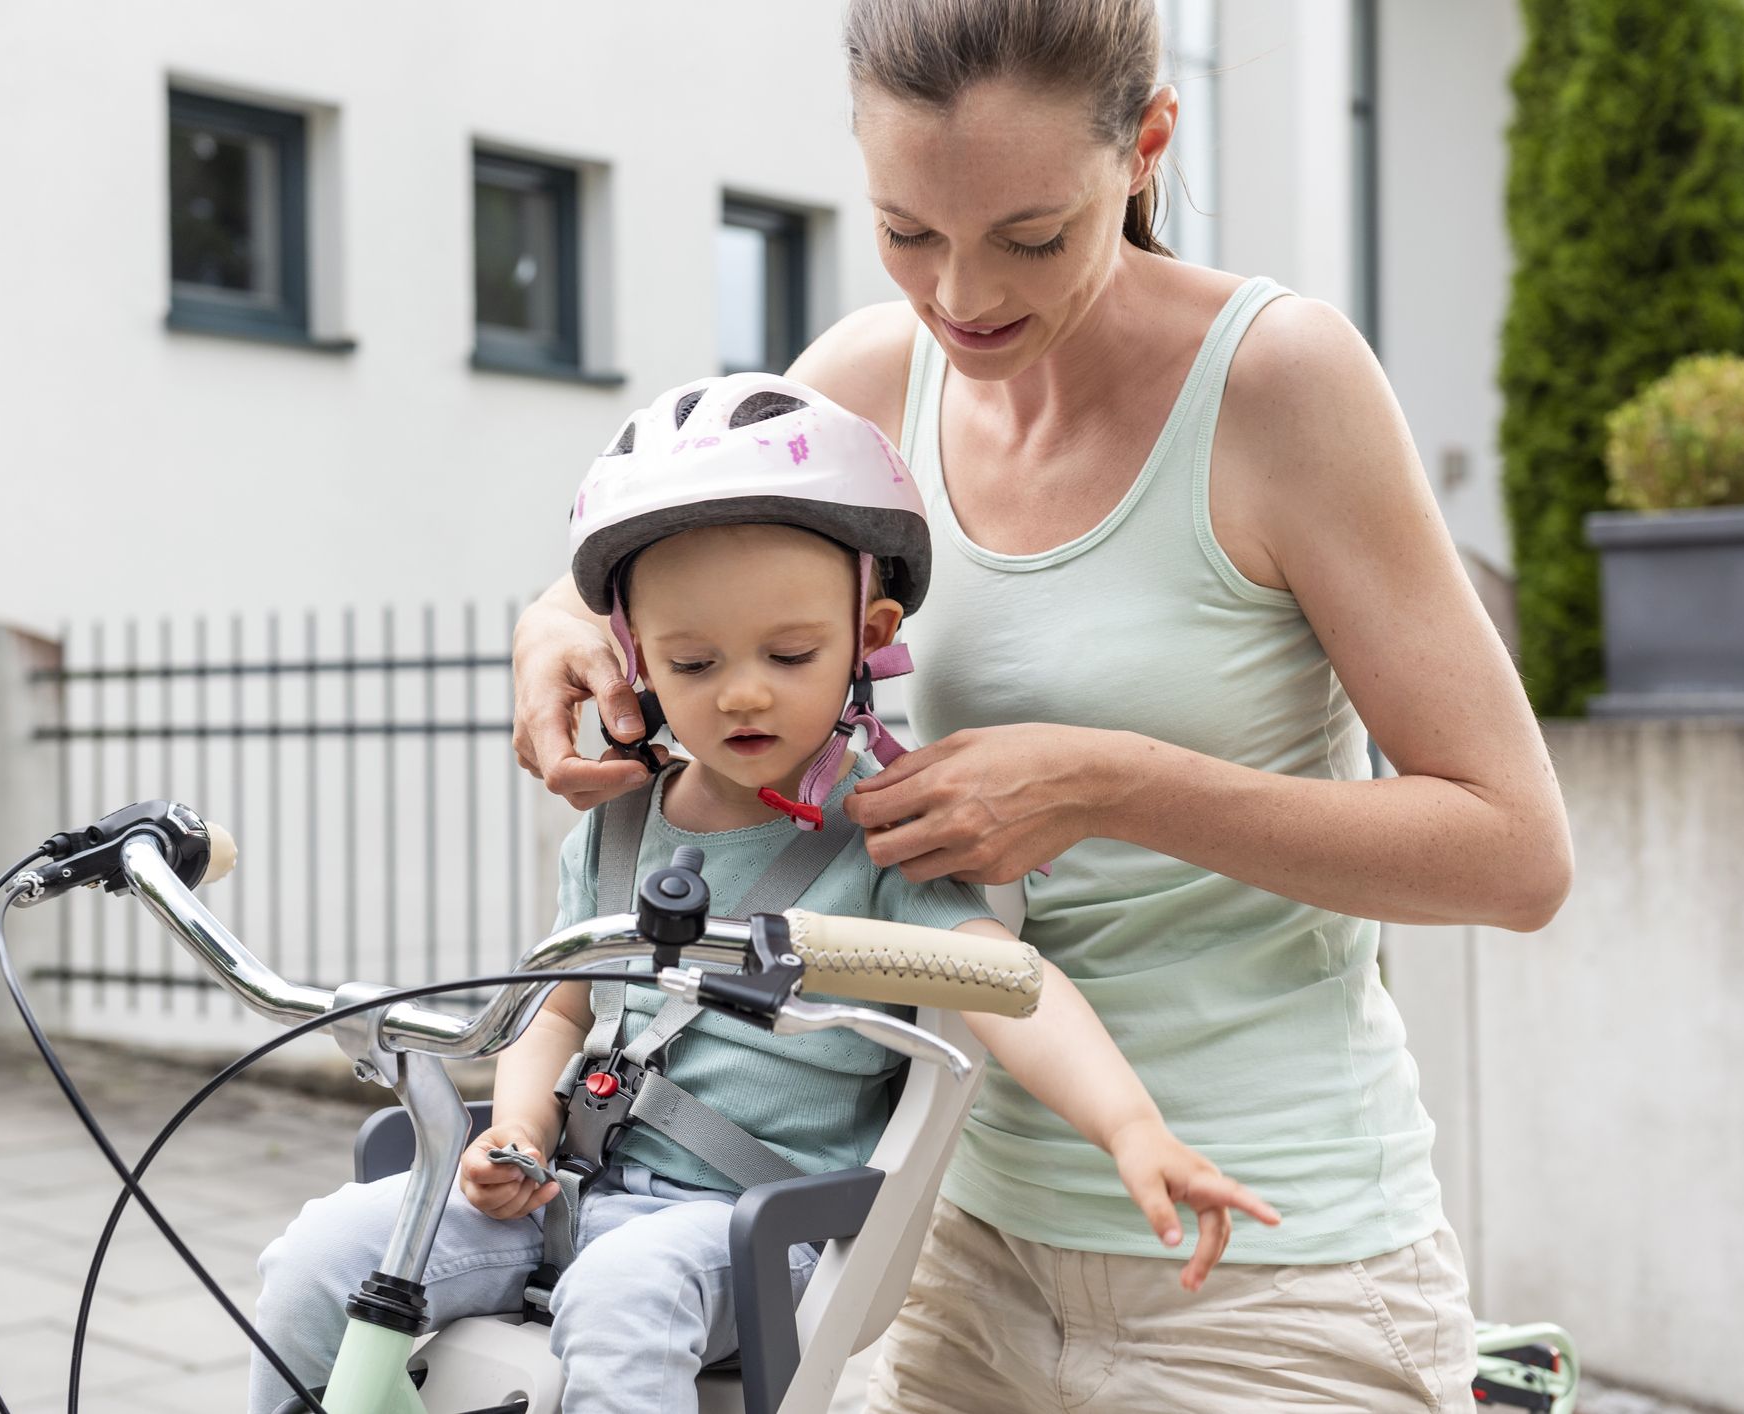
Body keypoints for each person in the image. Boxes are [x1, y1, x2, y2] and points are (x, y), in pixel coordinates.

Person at [509, 4, 1573, 1411]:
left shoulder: (1273, 384)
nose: (959, 296)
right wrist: (553, 631)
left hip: (1271, 1272)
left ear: (1142, 149)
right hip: (953, 1251)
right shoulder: (865, 384)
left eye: (1028, 235)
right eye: (907, 231)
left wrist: (1113, 782)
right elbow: (628, 576)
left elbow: (1512, 852)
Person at [250, 374, 1276, 1414]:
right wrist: (511, 1128)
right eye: (693, 661)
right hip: (567, 1187)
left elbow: (1007, 984)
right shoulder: (615, 825)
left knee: (622, 1295)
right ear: (635, 656)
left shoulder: (884, 835)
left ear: (868, 635)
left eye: (790, 654)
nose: (742, 690)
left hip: (742, 1228)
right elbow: (555, 1005)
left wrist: (1133, 1128)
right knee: (322, 1252)